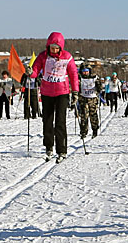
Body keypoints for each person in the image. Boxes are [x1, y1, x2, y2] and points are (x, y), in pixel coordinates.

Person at [30, 32, 79, 162]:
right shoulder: (43, 56)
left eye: (57, 48)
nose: (54, 50)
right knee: (47, 121)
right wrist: (31, 73)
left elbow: (73, 74)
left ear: (61, 47)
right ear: (48, 46)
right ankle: (49, 147)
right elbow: (35, 70)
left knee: (60, 122)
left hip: (62, 92)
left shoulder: (67, 57)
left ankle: (62, 150)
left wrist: (75, 91)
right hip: (46, 93)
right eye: (52, 47)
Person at [76, 64, 101, 138]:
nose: (85, 73)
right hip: (83, 98)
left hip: (92, 98)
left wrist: (99, 86)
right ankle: (83, 131)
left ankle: (95, 129)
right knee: (84, 115)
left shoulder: (94, 77)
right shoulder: (79, 78)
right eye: (84, 71)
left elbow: (99, 87)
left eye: (87, 71)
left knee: (93, 115)